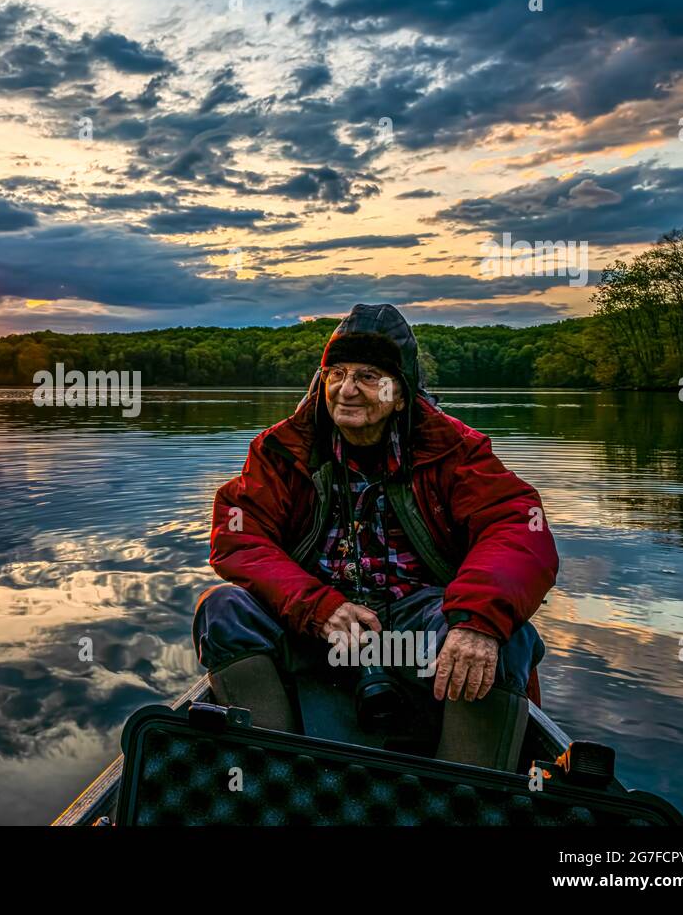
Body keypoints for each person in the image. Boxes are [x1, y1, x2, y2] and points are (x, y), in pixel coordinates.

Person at [192, 303, 558, 770]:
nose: (347, 390)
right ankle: (274, 778)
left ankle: (465, 797)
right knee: (223, 611)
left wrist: (476, 622)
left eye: (368, 376)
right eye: (336, 373)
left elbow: (516, 528)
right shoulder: (282, 451)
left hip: (416, 627)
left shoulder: (456, 451)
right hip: (317, 625)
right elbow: (239, 537)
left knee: (502, 638)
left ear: (401, 393)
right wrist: (318, 607)